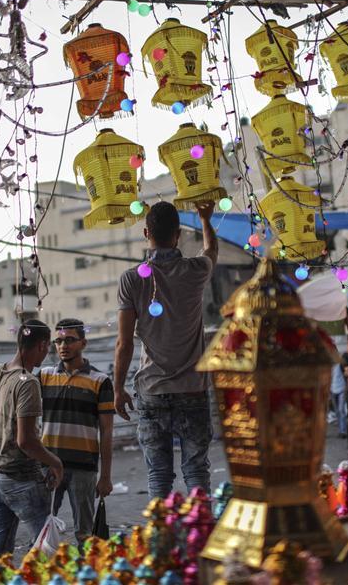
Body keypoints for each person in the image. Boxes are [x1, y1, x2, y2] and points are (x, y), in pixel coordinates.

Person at [113, 200, 218, 500]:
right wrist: (205, 219)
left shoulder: (132, 279)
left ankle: (162, 543)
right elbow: (211, 252)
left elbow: (124, 342)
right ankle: (200, 537)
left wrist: (118, 389)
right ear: (178, 235)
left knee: (158, 475)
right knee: (197, 470)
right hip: (192, 389)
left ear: (146, 232)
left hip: (151, 390)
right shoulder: (195, 269)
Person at [0, 320, 62, 569]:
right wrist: (56, 462)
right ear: (41, 345)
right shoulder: (27, 382)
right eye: (48, 346)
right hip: (20, 479)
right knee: (47, 550)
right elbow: (26, 441)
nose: (48, 352)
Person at [40, 319, 115, 544]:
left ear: (83, 343)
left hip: (83, 468)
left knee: (85, 534)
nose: (63, 346)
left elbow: (107, 432)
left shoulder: (100, 381)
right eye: (59, 341)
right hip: (49, 465)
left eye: (70, 340)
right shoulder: (43, 377)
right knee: (42, 530)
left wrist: (106, 477)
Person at [330, 364, 348, 438]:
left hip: (342, 389)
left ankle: (343, 431)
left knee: (341, 410)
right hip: (332, 390)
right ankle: (340, 430)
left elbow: (347, 374)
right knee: (337, 411)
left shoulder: (341, 365)